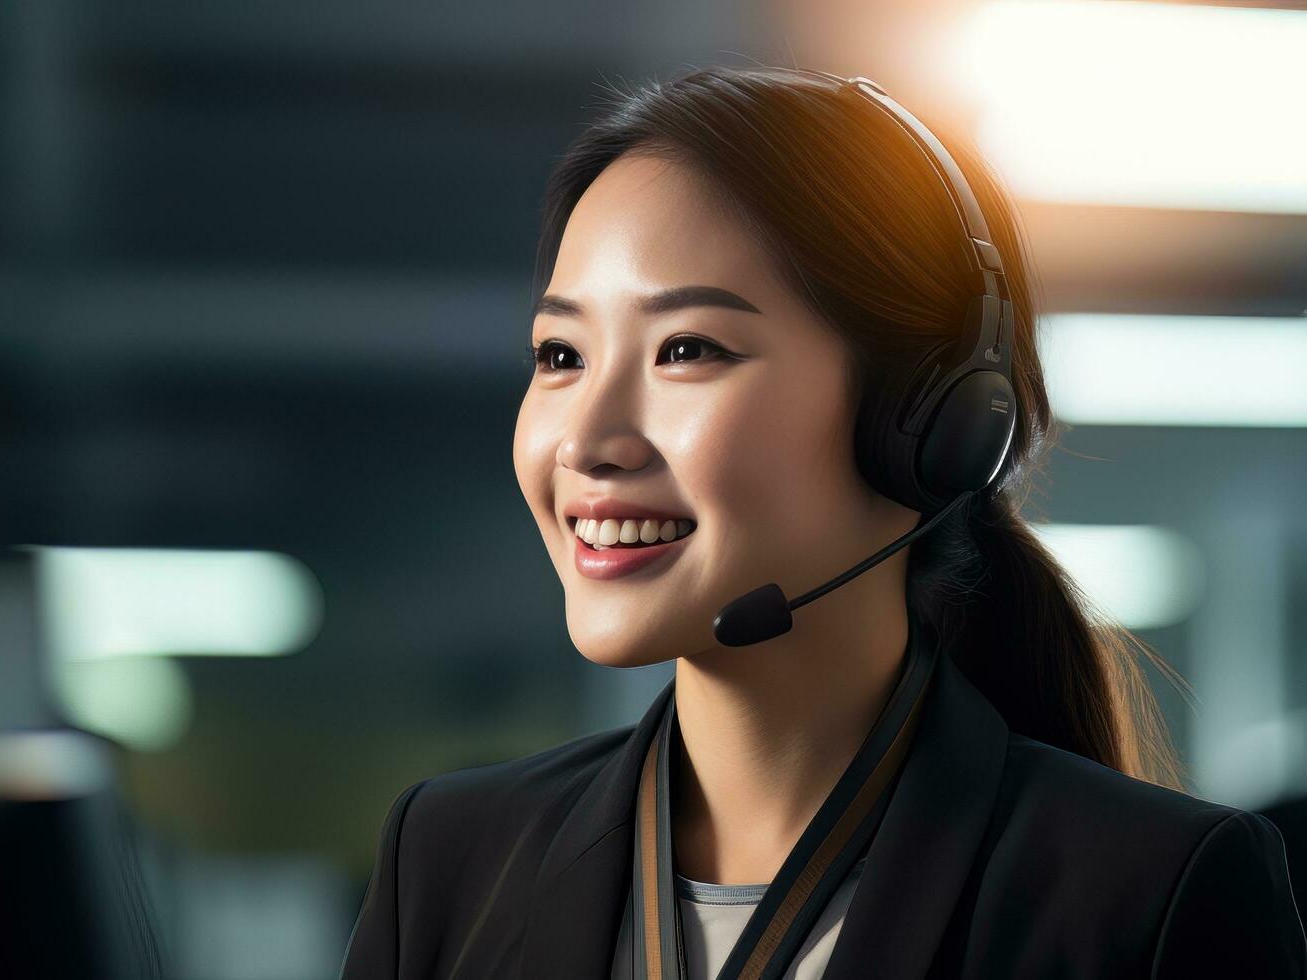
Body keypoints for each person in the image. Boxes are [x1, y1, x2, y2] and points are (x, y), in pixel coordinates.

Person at [338, 65, 1306, 979]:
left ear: (924, 418)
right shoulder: (455, 857)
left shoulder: (1144, 888)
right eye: (559, 354)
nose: (586, 437)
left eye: (687, 347)